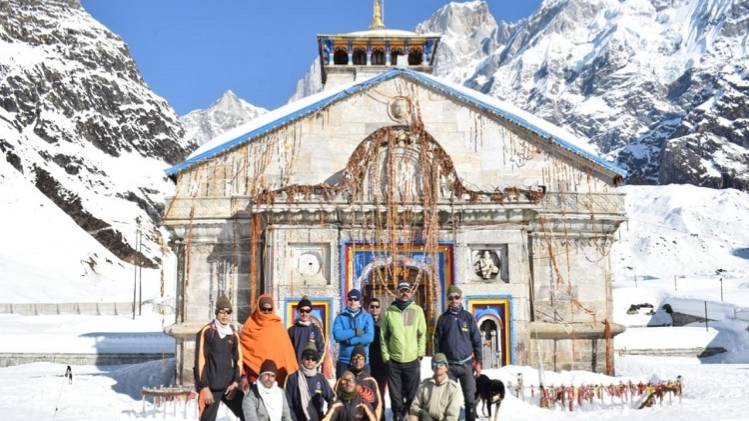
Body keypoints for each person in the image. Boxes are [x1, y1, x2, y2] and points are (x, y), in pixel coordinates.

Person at [433, 285, 482, 421]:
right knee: (449, 400)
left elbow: (477, 340)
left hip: (467, 365)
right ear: (447, 300)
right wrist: (437, 364)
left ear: (461, 298)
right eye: (451, 298)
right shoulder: (443, 319)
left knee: (470, 399)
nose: (454, 300)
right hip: (449, 367)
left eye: (456, 297)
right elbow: (437, 342)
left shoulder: (468, 317)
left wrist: (479, 362)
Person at [380, 279, 427, 421]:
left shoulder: (416, 310)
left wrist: (420, 353)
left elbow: (422, 334)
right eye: (402, 291)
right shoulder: (389, 312)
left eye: (407, 290)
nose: (404, 293)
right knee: (396, 397)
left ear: (411, 293)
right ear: (397, 293)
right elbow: (383, 336)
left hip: (412, 361)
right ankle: (398, 416)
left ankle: (411, 417)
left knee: (413, 396)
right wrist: (386, 357)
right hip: (394, 362)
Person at [194, 294, 245, 421]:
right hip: (211, 388)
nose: (225, 315)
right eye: (222, 312)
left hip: (229, 387)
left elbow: (239, 360)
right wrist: (204, 387)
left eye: (228, 312)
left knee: (246, 412)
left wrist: (235, 382)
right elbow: (200, 361)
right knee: (207, 419)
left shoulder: (233, 334)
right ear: (216, 313)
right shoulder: (207, 332)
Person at [240, 294, 299, 385]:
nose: (266, 312)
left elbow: (286, 354)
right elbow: (241, 353)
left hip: (275, 378)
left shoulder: (278, 327)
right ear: (258, 308)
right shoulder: (249, 326)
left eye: (269, 309)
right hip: (254, 376)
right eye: (263, 309)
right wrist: (243, 376)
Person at [285, 345, 335, 421]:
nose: (310, 361)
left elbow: (332, 398)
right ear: (302, 359)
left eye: (313, 359)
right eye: (307, 358)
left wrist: (328, 416)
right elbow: (287, 404)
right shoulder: (293, 378)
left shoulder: (320, 378)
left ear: (316, 361)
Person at [332, 288, 374, 378]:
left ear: (359, 302)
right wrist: (355, 331)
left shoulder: (367, 317)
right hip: (345, 361)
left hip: (362, 361)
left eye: (355, 299)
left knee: (363, 386)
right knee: (343, 386)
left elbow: (369, 337)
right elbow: (338, 335)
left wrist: (350, 341)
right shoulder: (340, 317)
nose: (353, 302)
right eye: (350, 299)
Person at [407, 353, 461, 421]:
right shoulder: (425, 385)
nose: (438, 367)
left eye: (441, 364)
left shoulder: (453, 388)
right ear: (432, 367)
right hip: (426, 419)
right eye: (435, 364)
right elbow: (414, 406)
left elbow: (452, 416)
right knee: (411, 418)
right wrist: (422, 413)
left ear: (446, 367)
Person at [347, 346, 383, 420]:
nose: (358, 361)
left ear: (365, 361)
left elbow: (378, 403)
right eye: (355, 359)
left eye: (361, 359)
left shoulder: (371, 380)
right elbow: (335, 400)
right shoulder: (344, 379)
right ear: (351, 361)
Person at [288, 296, 326, 364]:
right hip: (296, 367)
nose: (304, 314)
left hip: (312, 367)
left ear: (310, 312)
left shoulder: (316, 329)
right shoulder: (291, 330)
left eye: (307, 311)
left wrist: (315, 363)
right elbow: (286, 350)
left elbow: (322, 349)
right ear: (298, 311)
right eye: (302, 311)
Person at [367, 298, 388, 411]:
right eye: (372, 306)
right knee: (368, 392)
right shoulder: (365, 322)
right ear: (368, 308)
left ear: (380, 309)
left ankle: (381, 415)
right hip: (368, 362)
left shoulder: (384, 323)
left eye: (377, 307)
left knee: (380, 391)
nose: (374, 309)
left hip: (381, 362)